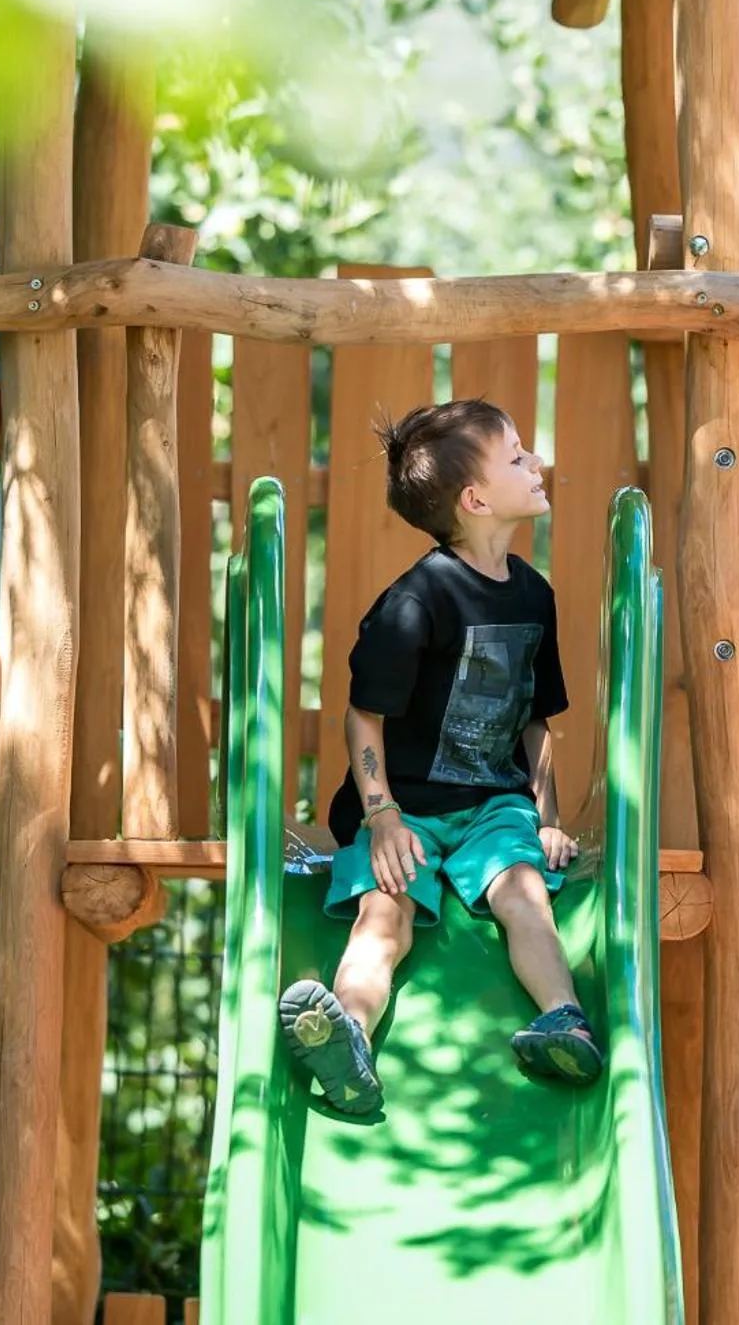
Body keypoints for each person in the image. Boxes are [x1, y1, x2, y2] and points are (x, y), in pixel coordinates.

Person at [277, 398, 602, 1115]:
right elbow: (365, 716)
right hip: (409, 809)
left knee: (525, 892)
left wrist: (546, 815)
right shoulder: (414, 601)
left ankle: (564, 1020)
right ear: (476, 497)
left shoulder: (534, 596)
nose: (535, 461)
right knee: (382, 914)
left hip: (494, 808)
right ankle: (348, 1041)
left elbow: (535, 721)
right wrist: (383, 816)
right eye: (516, 456)